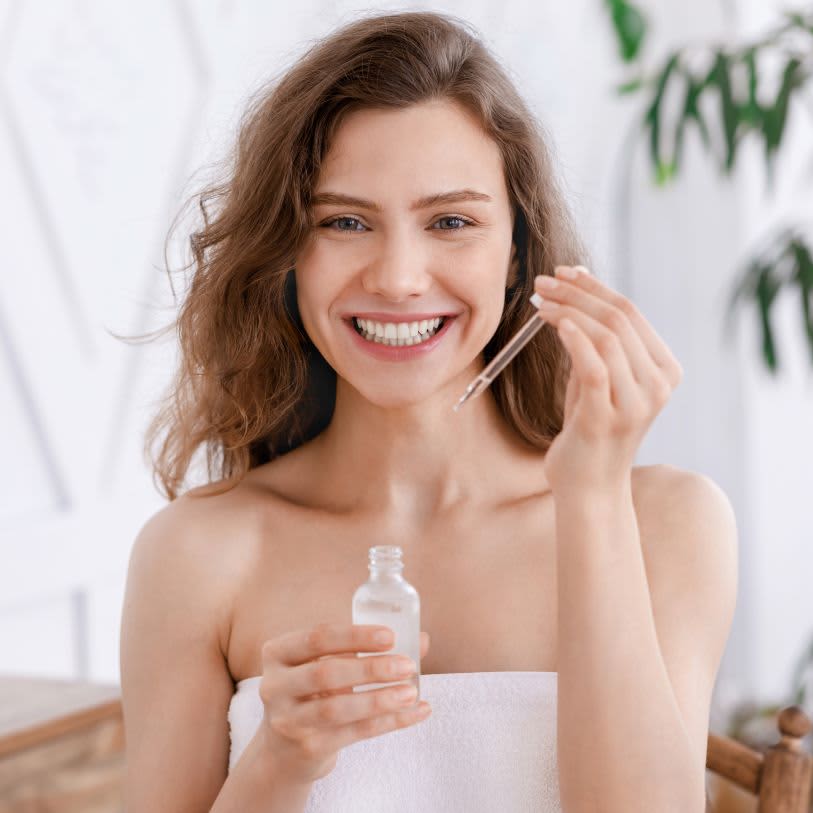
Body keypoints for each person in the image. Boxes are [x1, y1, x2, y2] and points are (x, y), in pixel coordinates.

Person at [119, 10, 738, 813]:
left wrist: (591, 494)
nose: (400, 277)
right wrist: (277, 762)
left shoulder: (665, 522)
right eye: (344, 221)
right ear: (287, 253)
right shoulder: (198, 553)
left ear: (518, 252)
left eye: (450, 221)